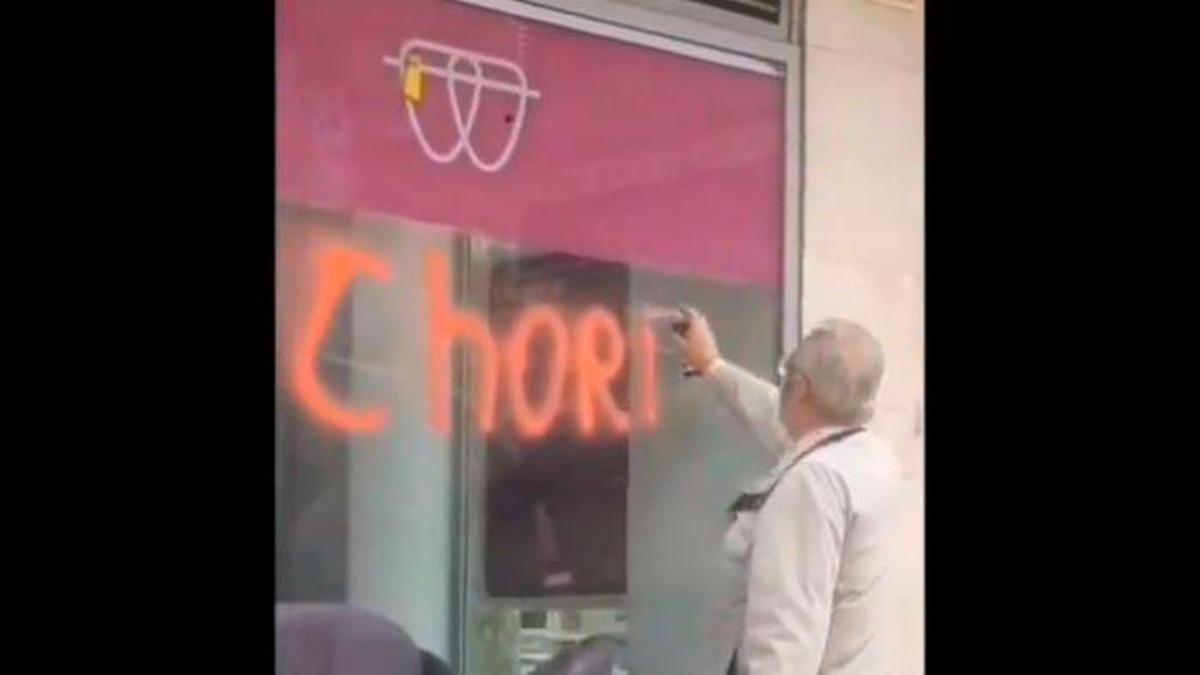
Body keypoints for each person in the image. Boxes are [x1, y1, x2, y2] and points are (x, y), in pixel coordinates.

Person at [673, 310, 901, 675]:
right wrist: (712, 366)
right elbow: (781, 419)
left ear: (801, 386)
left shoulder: (813, 482)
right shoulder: (869, 458)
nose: (781, 390)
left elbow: (785, 644)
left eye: (787, 379)